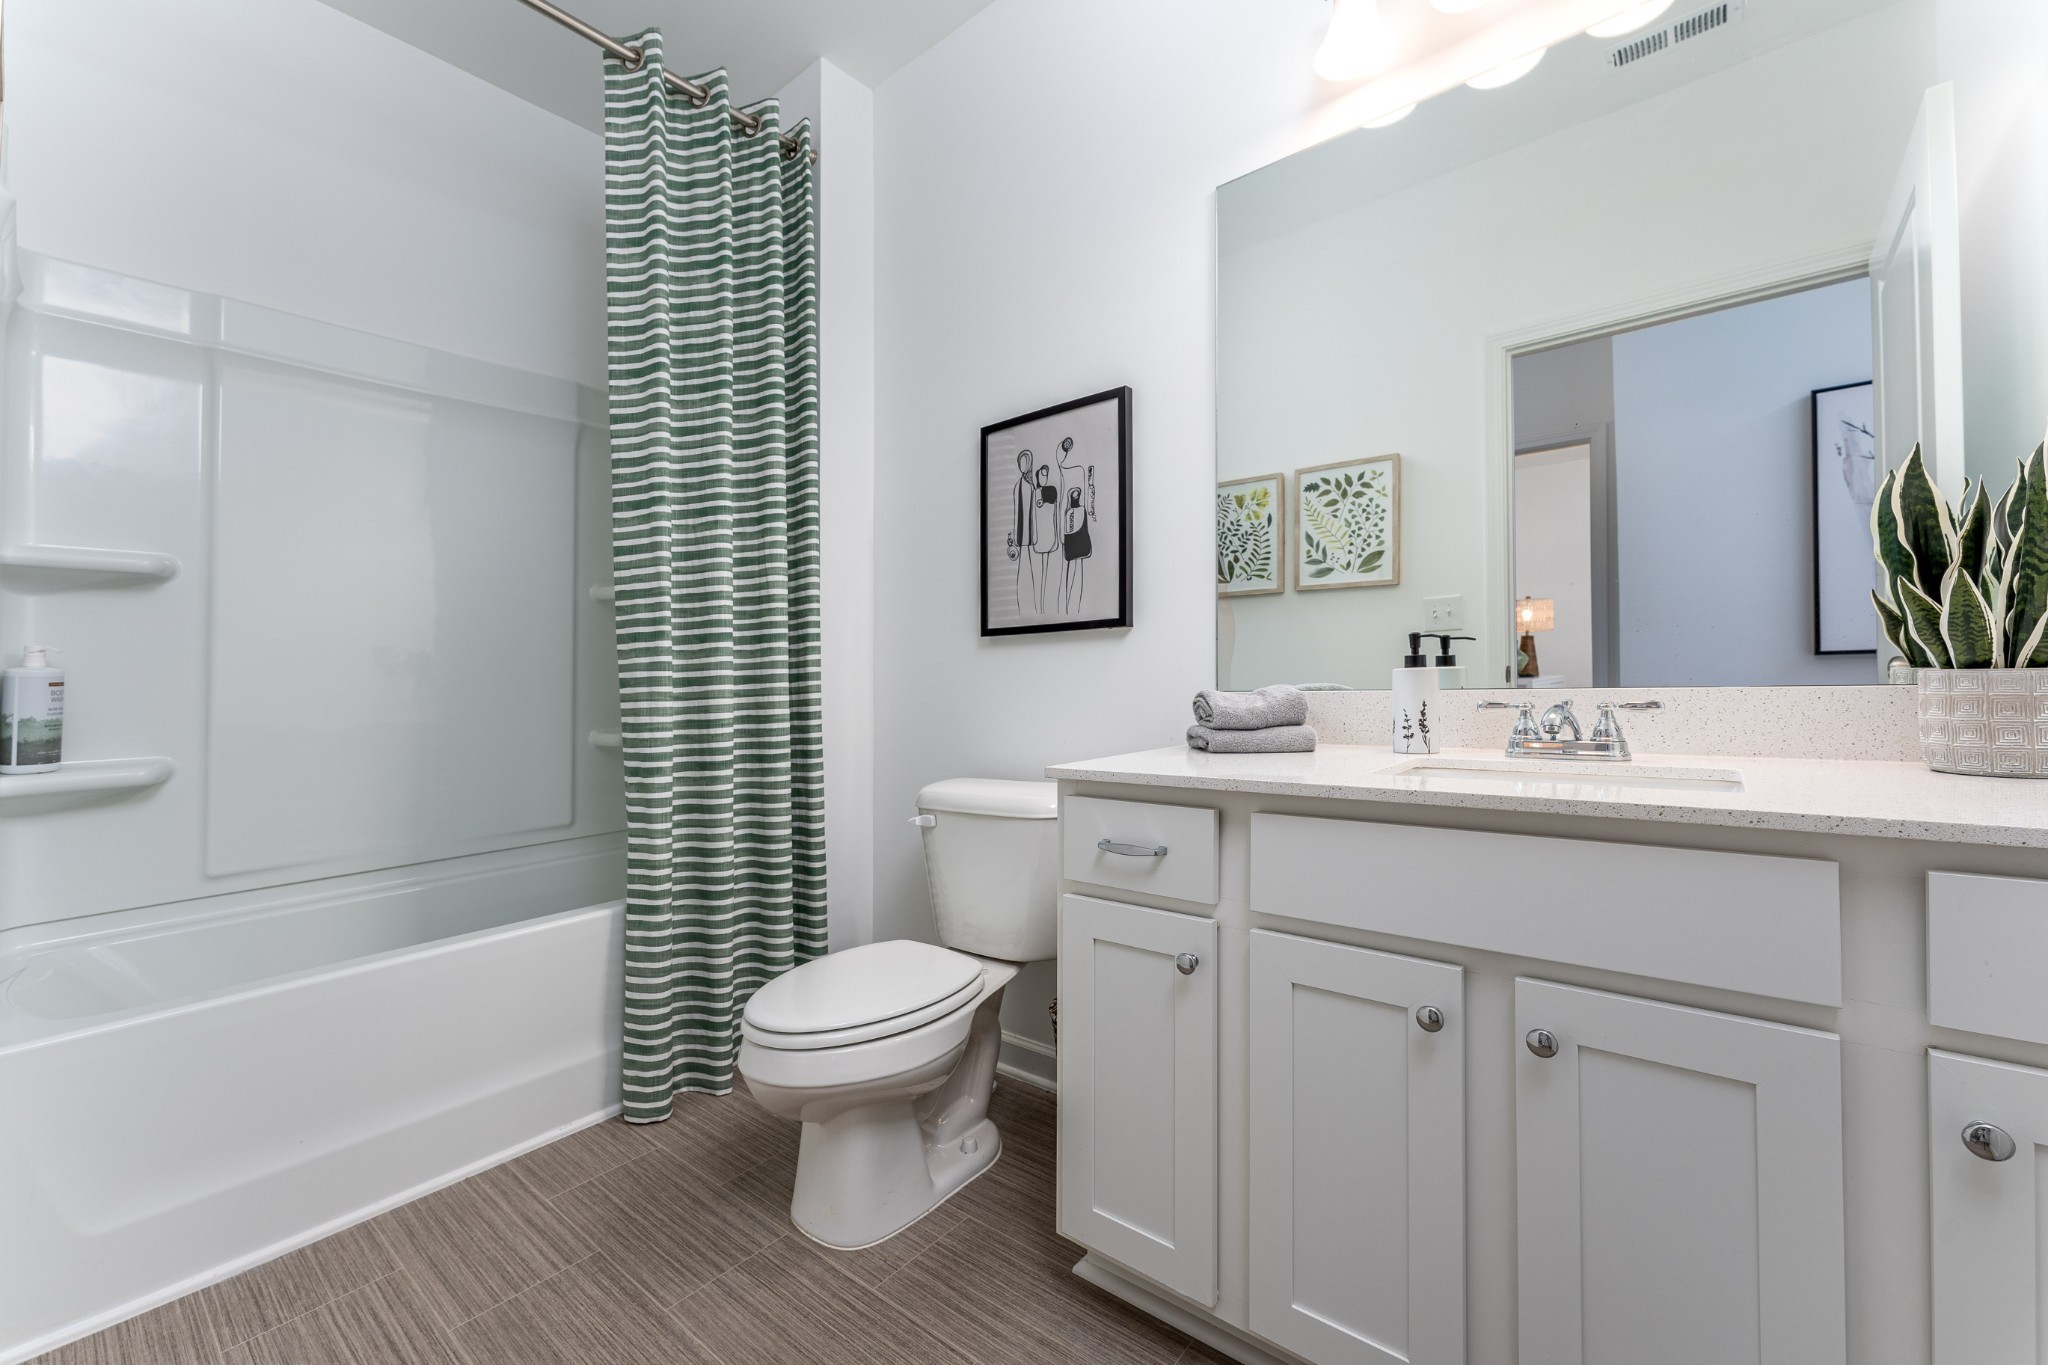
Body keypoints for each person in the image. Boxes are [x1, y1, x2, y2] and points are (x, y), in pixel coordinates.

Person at [1031, 463, 1060, 612]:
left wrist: (1057, 536)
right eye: (1042, 475)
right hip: (1039, 534)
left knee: (1048, 570)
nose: (1044, 477)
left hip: (1050, 532)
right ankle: (1040, 604)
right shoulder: (1035, 493)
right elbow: (1033, 517)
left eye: (1046, 475)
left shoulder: (1052, 491)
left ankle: (1046, 605)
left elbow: (1055, 515)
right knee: (1039, 571)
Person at [1062, 484, 1092, 612]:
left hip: (1077, 545)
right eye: (1074, 494)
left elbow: (1076, 529)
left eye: (1077, 494)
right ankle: (1069, 604)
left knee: (1077, 571)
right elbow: (1068, 530)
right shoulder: (1070, 512)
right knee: (1073, 571)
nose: (1076, 497)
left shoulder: (1076, 511)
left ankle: (1074, 605)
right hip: (1075, 545)